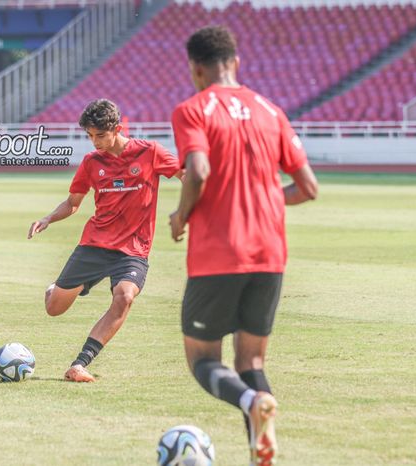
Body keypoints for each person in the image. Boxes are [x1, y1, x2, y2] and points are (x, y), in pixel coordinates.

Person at [169, 27, 318, 465]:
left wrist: (181, 216)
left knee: (202, 359)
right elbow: (307, 187)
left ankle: (252, 404)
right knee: (250, 361)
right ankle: (261, 452)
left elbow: (197, 171)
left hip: (219, 254)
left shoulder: (192, 109)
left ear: (196, 69)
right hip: (270, 255)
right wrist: (269, 199)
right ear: (236, 62)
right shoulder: (272, 110)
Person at [28, 99, 181, 382]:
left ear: (117, 129)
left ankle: (80, 364)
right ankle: (61, 287)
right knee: (54, 309)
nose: (94, 142)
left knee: (124, 297)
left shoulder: (149, 153)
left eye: (100, 135)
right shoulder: (91, 162)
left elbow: (187, 174)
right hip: (95, 244)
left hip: (132, 250)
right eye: (90, 136)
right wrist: (48, 218)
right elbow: (73, 203)